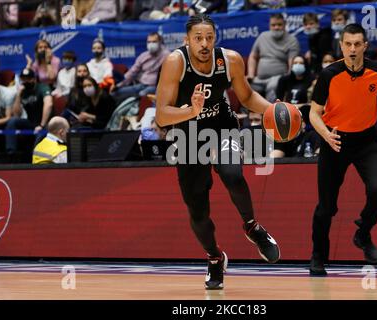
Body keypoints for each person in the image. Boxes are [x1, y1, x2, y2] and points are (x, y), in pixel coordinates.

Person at [155, 13, 280, 290]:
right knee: (198, 211)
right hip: (186, 134)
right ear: (187, 40)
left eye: (209, 38)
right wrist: (191, 110)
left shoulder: (230, 59)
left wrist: (272, 109)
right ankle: (214, 258)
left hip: (222, 127)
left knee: (232, 173)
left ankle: (252, 227)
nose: (204, 44)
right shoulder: (175, 62)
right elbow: (162, 117)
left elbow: (246, 97)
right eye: (198, 38)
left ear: (215, 39)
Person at [309, 24, 377, 276]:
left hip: (366, 140)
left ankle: (363, 234)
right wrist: (325, 135)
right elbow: (314, 113)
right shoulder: (328, 74)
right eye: (348, 44)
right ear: (341, 46)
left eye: (357, 44)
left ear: (365, 46)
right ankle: (318, 255)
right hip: (335, 141)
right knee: (326, 208)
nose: (352, 49)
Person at [247, 13, 300, 102]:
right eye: (273, 25)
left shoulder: (292, 40)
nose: (276, 27)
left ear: (285, 25)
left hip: (277, 78)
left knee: (273, 86)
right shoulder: (263, 36)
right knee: (244, 86)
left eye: (279, 25)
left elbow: (292, 63)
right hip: (259, 79)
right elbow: (253, 56)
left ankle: (270, 113)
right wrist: (251, 74)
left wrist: (287, 80)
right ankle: (245, 114)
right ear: (269, 26)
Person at [5, 68, 53, 154]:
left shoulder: (42, 87)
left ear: (34, 79)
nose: (26, 81)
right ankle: (11, 152)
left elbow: (48, 104)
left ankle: (34, 158)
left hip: (46, 123)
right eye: (23, 79)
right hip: (31, 122)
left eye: (28, 79)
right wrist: (18, 95)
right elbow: (16, 114)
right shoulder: (23, 91)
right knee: (12, 121)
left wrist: (41, 125)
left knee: (40, 134)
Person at [114, 33, 170, 102]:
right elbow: (132, 72)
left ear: (160, 42)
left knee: (142, 95)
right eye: (149, 42)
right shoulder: (143, 56)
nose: (151, 44)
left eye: (154, 42)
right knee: (116, 93)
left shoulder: (167, 55)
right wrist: (118, 85)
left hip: (156, 87)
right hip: (141, 85)